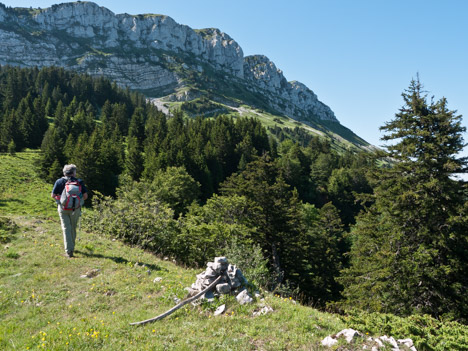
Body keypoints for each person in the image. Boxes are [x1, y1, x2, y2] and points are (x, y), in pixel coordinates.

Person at [51, 164, 88, 258]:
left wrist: (60, 200)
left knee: (66, 228)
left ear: (64, 172)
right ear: (74, 173)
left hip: (63, 208)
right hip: (75, 209)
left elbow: (53, 195)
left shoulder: (59, 181)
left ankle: (69, 251)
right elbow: (85, 196)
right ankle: (72, 247)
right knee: (72, 228)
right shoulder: (79, 182)